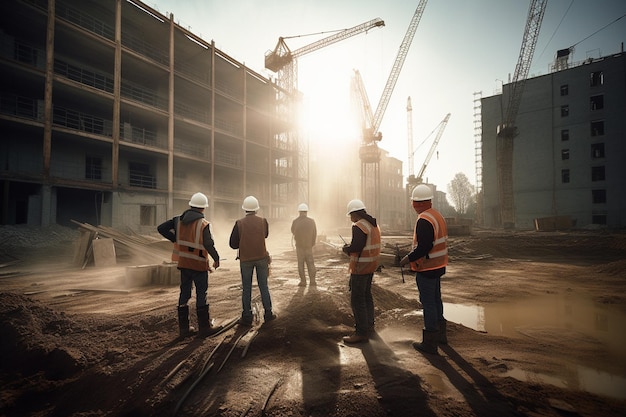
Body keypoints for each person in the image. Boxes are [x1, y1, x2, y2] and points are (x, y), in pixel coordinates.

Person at [157, 192, 223, 338]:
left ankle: (184, 330)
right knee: (201, 293)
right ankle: (204, 328)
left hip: (184, 263)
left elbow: (161, 228)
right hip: (199, 265)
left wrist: (175, 239)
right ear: (203, 208)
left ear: (191, 205)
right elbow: (208, 244)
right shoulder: (203, 224)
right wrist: (216, 258)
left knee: (184, 293)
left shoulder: (177, 220)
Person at [399, 184, 449, 354]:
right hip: (439, 265)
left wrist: (407, 258)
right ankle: (441, 336)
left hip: (427, 268)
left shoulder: (423, 220)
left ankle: (430, 343)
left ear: (416, 203)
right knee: (436, 300)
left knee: (428, 303)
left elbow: (424, 247)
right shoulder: (437, 216)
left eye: (413, 202)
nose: (412, 205)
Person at [229, 195, 276, 326]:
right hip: (261, 257)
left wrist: (244, 240)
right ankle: (268, 313)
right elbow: (265, 235)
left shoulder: (239, 223)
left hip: (246, 260)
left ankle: (247, 316)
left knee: (247, 288)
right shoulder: (263, 221)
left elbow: (232, 244)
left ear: (244, 209)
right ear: (256, 209)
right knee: (263, 286)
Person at [341, 199, 381, 344]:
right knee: (366, 296)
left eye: (350, 215)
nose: (350, 218)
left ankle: (361, 333)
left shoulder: (359, 226)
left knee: (357, 300)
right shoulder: (372, 224)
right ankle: (369, 326)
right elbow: (364, 244)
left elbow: (357, 246)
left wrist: (346, 249)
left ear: (355, 213)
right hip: (371, 266)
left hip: (360, 268)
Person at [291, 203, 317, 287]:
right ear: (306, 212)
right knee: (311, 264)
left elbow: (293, 231)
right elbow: (314, 234)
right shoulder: (312, 221)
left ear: (299, 212)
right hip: (308, 246)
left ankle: (303, 282)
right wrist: (311, 243)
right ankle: (312, 281)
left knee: (300, 264)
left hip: (299, 247)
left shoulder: (295, 221)